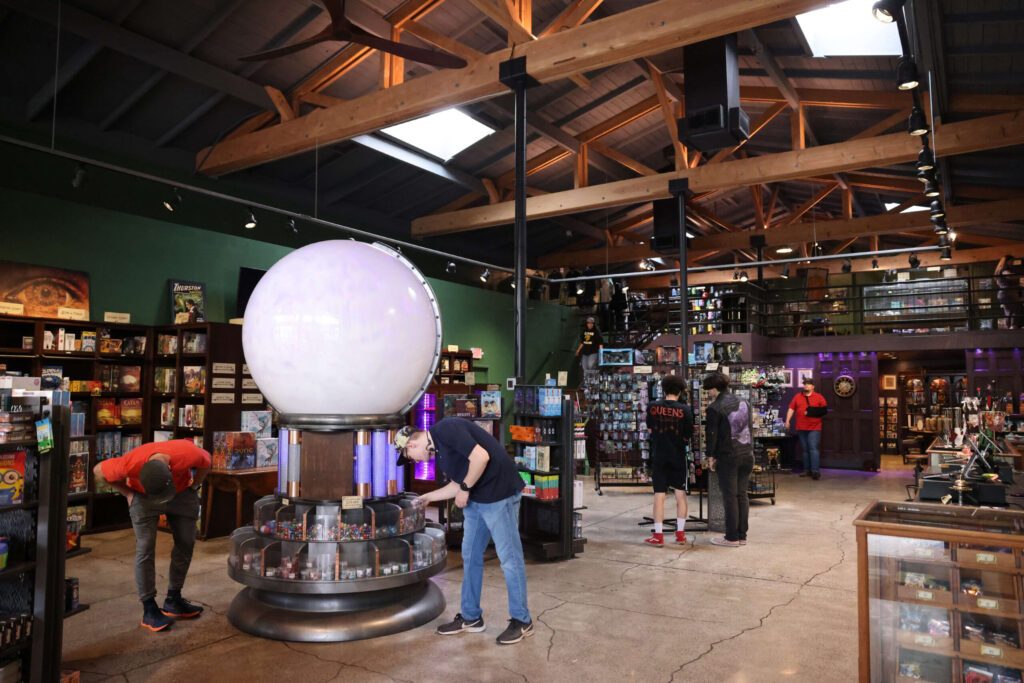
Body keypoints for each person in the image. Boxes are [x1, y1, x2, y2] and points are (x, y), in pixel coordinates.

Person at [394, 418, 532, 645]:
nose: (414, 461)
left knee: (509, 558)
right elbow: (458, 483)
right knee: (470, 556)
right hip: (478, 499)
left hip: (499, 495)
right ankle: (471, 617)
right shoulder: (439, 449)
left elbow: (481, 457)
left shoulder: (447, 429)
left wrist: (466, 490)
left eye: (409, 459)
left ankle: (522, 620)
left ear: (409, 446)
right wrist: (428, 497)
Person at [92, 439, 211, 632]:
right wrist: (127, 493)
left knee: (186, 542)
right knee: (145, 547)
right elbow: (98, 470)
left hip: (180, 493)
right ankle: (149, 608)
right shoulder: (130, 462)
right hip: (144, 498)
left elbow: (207, 462)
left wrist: (194, 486)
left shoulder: (187, 453)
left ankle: (174, 598)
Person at [703, 372, 754, 548]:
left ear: (715, 388)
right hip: (747, 453)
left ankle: (731, 537)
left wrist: (710, 457)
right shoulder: (744, 401)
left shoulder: (714, 408)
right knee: (742, 495)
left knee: (730, 496)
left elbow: (712, 436)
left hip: (728, 456)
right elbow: (750, 427)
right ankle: (742, 535)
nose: (708, 393)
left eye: (708, 389)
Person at [643, 374, 694, 547]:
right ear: (680, 391)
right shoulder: (685, 410)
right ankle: (680, 534)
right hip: (678, 456)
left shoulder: (652, 406)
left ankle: (658, 535)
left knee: (659, 495)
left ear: (663, 390)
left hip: (659, 455)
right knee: (680, 494)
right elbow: (688, 435)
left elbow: (649, 429)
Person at [785, 377, 828, 480]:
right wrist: (787, 420)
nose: (806, 386)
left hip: (814, 427)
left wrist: (811, 412)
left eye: (808, 384)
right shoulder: (797, 397)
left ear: (813, 386)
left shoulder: (819, 397)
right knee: (805, 449)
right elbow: (791, 408)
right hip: (801, 427)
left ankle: (815, 470)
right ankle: (806, 470)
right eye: (805, 384)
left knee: (813, 448)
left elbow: (824, 410)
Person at [995, 255, 1023, 329]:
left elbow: (998, 282)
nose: (1012, 263)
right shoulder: (1004, 270)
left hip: (1004, 293)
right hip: (1008, 293)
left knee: (1009, 311)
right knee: (1016, 309)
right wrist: (1020, 276)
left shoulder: (1000, 270)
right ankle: (1013, 326)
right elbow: (1009, 276)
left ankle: (1010, 326)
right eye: (1011, 261)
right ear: (1006, 262)